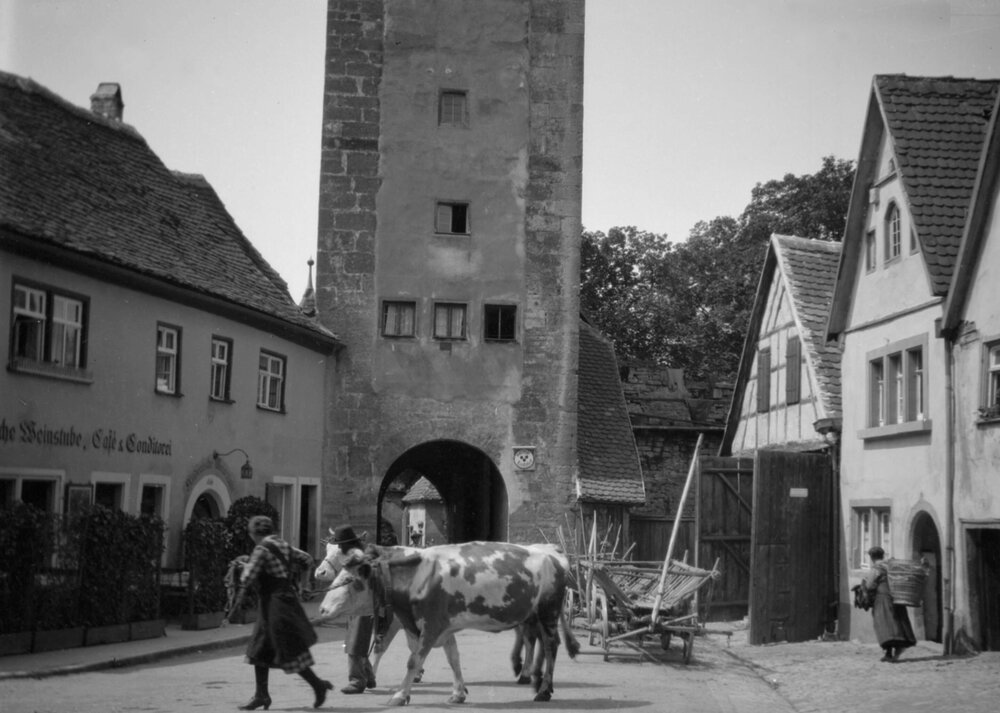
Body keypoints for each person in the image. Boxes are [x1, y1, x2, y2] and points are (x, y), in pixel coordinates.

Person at [223, 516, 332, 710]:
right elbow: (307, 559)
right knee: (261, 648)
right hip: (286, 601)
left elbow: (248, 577)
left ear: (254, 533)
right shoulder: (283, 545)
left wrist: (243, 566)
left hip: (273, 604)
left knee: (288, 649)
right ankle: (261, 695)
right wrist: (304, 585)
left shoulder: (262, 548)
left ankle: (318, 686)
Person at [327, 524, 376, 694]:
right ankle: (368, 676)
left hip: (363, 605)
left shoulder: (360, 559)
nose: (339, 547)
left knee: (355, 643)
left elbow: (364, 581)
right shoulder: (353, 557)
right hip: (355, 605)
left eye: (340, 544)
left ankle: (357, 681)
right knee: (356, 642)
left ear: (348, 544)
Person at [863, 545, 917, 662]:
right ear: (883, 555)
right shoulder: (891, 565)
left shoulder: (876, 568)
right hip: (897, 597)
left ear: (872, 557)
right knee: (897, 622)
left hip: (883, 599)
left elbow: (869, 585)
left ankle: (889, 653)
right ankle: (894, 650)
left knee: (885, 625)